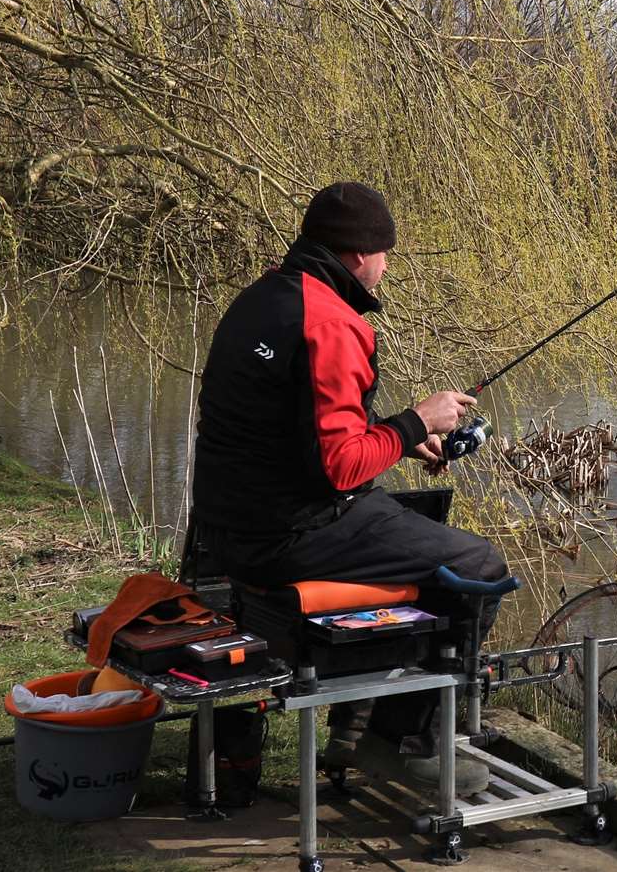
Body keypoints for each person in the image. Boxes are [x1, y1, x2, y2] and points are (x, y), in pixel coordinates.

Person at [190, 181, 507, 792]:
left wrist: (388, 433)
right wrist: (419, 420)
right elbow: (336, 469)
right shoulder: (334, 324)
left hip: (224, 529)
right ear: (359, 255)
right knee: (476, 564)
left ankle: (353, 726)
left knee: (405, 524)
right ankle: (401, 740)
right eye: (386, 255)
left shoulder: (261, 298)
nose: (386, 268)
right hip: (288, 535)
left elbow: (295, 425)